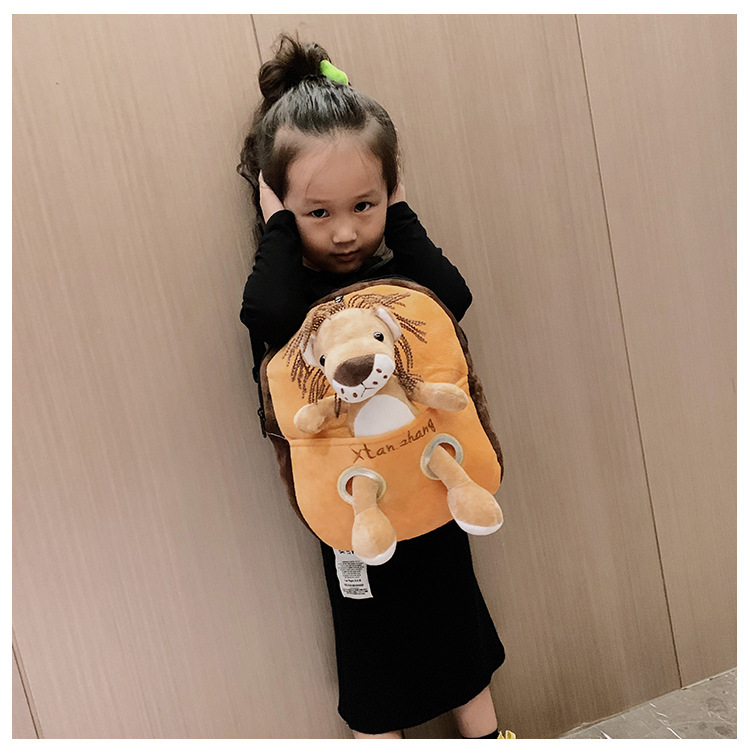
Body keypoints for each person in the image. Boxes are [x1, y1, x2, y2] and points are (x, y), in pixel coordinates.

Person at [238, 34, 507, 739]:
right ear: (280, 207)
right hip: (353, 504)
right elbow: (264, 314)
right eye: (318, 212)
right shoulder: (292, 302)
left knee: (457, 617)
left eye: (366, 204)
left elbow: (453, 297)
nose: (347, 232)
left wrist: (401, 209)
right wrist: (278, 224)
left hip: (433, 479)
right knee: (371, 645)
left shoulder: (398, 282)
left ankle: (487, 732)